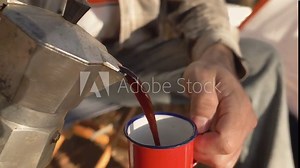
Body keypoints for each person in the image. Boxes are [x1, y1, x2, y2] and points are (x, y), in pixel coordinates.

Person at [62, 0, 294, 167]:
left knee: (261, 59)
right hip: (62, 72)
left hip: (133, 56)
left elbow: (198, 4)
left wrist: (218, 58)